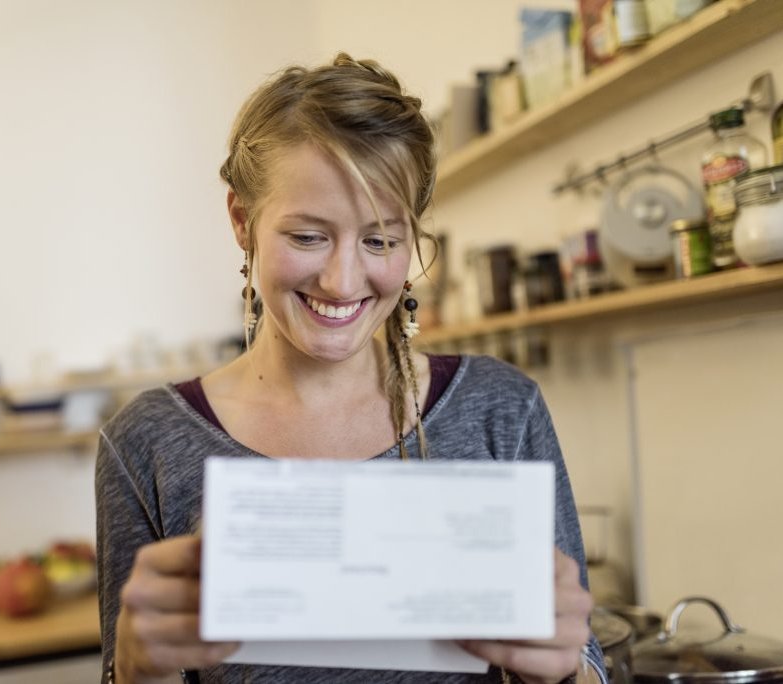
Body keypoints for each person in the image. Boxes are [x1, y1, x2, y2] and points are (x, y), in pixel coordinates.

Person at [95, 53, 607, 684]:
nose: (342, 281)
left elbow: (583, 666)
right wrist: (137, 670)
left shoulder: (503, 408)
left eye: (381, 241)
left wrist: (560, 668)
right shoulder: (145, 442)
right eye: (307, 237)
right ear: (241, 222)